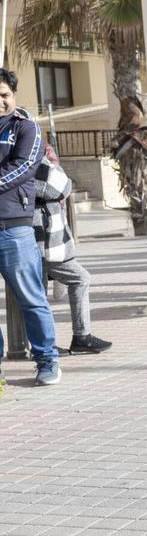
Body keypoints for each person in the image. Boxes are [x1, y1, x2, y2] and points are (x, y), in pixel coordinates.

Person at [0, 69, 60, 385]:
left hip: (14, 229)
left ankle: (47, 360)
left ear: (13, 95)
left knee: (31, 298)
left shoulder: (26, 128)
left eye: (4, 95)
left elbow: (22, 168)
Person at [32, 144, 111, 354]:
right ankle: (50, 345)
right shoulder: (29, 161)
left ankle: (76, 338)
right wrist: (53, 165)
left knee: (40, 293)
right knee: (43, 292)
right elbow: (61, 187)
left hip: (48, 241)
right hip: (42, 241)